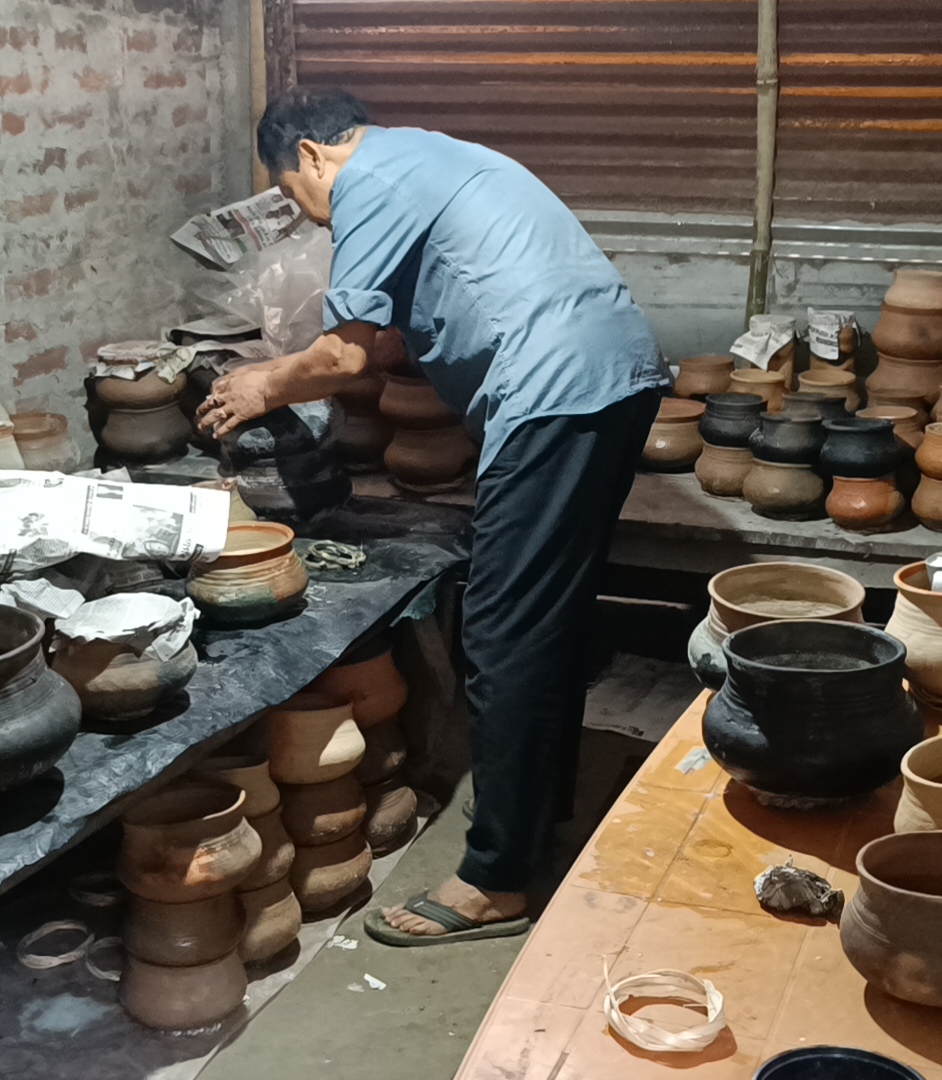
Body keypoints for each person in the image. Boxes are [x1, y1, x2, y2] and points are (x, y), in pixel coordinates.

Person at [198, 88, 668, 944]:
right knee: (545, 624)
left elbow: (345, 356)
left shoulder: (366, 179)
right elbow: (387, 338)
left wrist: (262, 381)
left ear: (310, 156)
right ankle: (536, 821)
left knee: (501, 634)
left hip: (554, 394)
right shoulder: (434, 154)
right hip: (612, 378)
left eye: (302, 204)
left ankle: (497, 881)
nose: (315, 223)